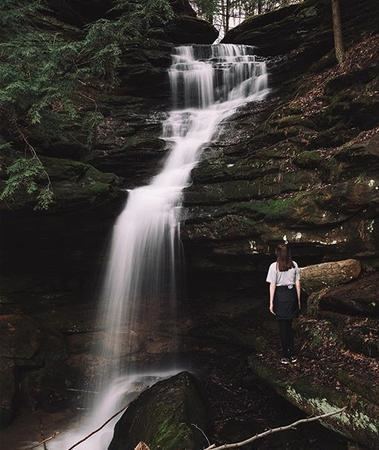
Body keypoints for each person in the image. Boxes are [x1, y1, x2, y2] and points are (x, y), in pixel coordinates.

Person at [266, 243, 301, 365]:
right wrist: (298, 299)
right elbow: (297, 284)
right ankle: (292, 354)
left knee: (283, 328)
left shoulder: (273, 266)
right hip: (291, 295)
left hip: (280, 296)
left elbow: (272, 285)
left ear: (278, 253)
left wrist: (271, 302)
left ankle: (285, 355)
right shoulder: (294, 264)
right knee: (290, 326)